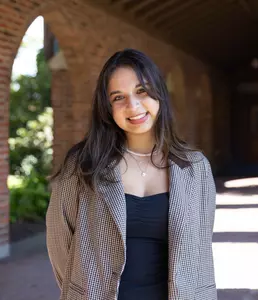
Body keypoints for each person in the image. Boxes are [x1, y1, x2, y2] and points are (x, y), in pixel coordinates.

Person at [45, 48, 216, 300]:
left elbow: (200, 251)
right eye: (118, 97)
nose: (132, 106)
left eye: (141, 91)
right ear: (107, 108)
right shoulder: (82, 165)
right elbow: (60, 245)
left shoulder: (195, 168)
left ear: (159, 94)